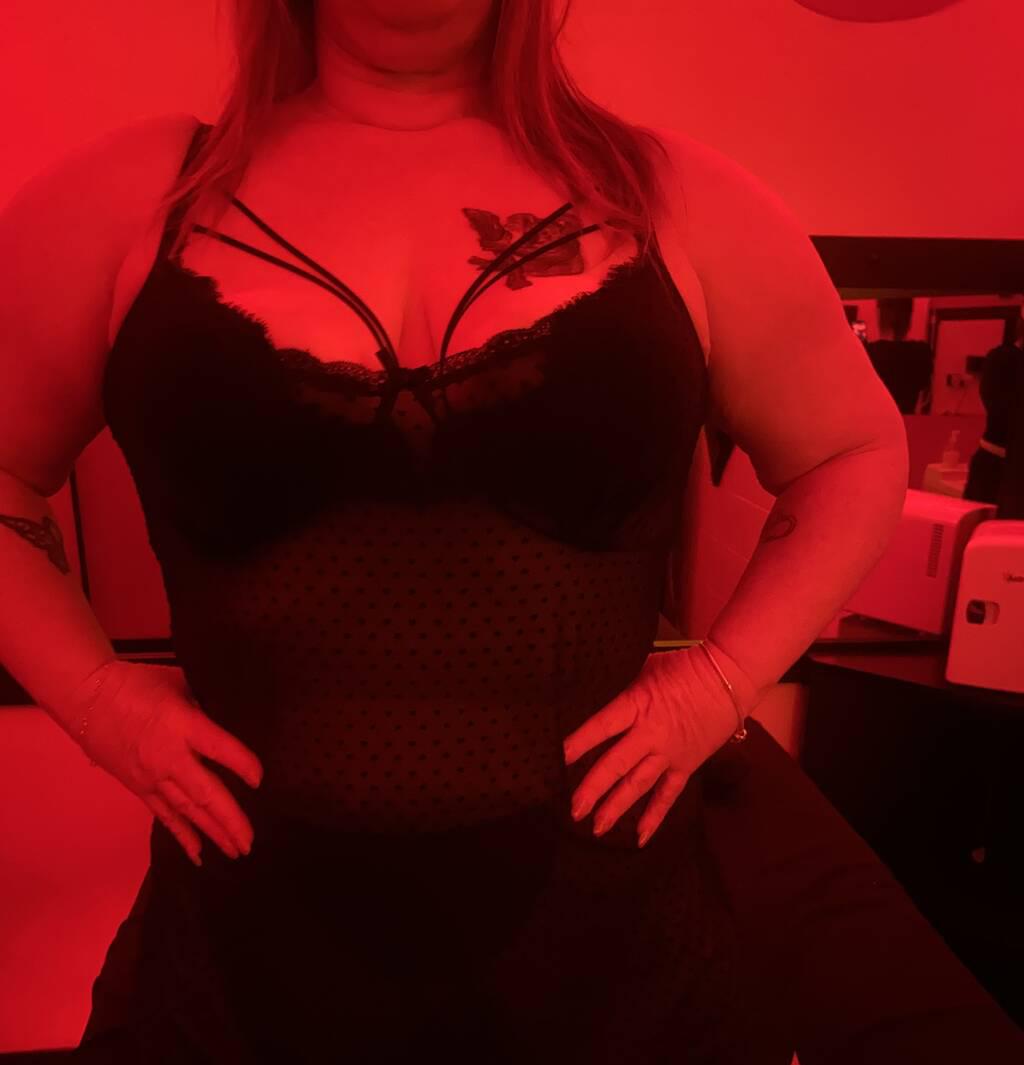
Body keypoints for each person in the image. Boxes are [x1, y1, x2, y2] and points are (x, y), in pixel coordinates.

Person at [6, 1, 996, 1062]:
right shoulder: (142, 195)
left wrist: (720, 682)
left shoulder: (673, 199)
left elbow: (852, 453)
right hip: (239, 956)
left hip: (616, 953)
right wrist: (98, 701)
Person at [963, 305, 1024, 507]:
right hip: (995, 466)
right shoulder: (1003, 359)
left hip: (993, 461)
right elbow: (1003, 412)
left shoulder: (999, 359)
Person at [864, 297, 936, 414]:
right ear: (908, 317)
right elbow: (927, 393)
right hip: (906, 417)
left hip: (876, 417)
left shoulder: (869, 352)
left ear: (880, 315)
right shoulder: (921, 351)